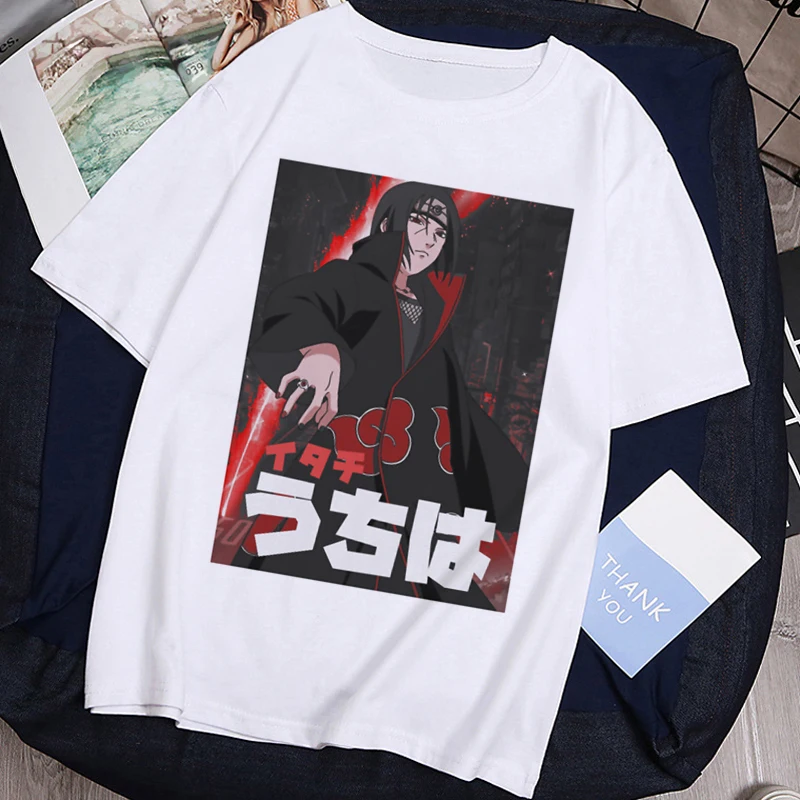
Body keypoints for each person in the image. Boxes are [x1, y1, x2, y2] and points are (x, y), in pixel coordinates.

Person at [242, 182, 530, 610]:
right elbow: (300, 301)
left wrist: (518, 489)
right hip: (340, 468)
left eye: (440, 232)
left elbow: (454, 404)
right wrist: (320, 349)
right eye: (418, 221)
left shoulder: (434, 312)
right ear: (387, 224)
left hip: (413, 487)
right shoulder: (351, 280)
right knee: (298, 583)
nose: (428, 239)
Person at [211, 0, 324, 72]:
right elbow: (218, 63)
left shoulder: (297, 2)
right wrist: (231, 28)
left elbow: (320, 36)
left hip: (314, 67)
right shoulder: (257, 26)